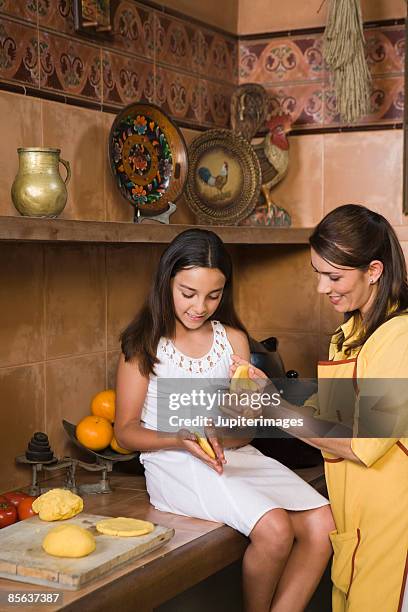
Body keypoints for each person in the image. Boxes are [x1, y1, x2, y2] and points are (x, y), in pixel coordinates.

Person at [114, 228, 334, 612]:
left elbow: (245, 428)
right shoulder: (144, 345)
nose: (200, 306)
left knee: (324, 523)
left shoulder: (232, 339)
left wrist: (242, 416)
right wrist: (179, 438)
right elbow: (125, 431)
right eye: (188, 293)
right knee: (276, 529)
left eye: (213, 295)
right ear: (166, 282)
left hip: (234, 455)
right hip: (175, 463)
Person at [232, 204, 408, 612]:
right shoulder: (351, 333)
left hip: (396, 535)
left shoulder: (399, 338)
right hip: (360, 531)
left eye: (334, 277)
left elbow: (360, 438)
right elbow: (325, 416)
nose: (321, 288)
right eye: (318, 274)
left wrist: (272, 408)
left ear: (374, 271)